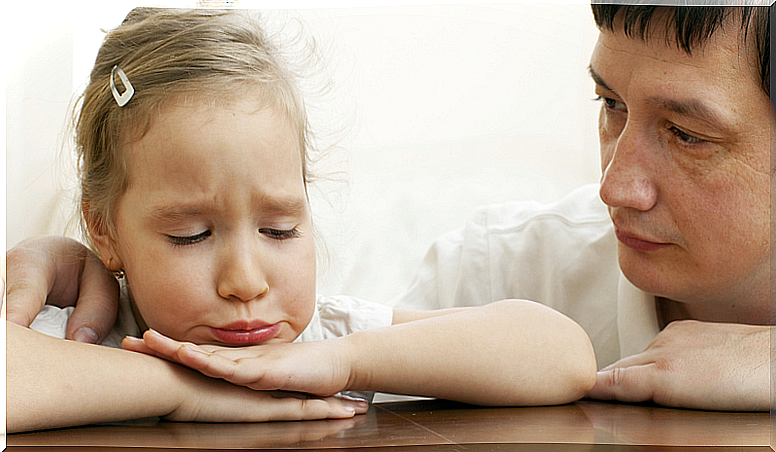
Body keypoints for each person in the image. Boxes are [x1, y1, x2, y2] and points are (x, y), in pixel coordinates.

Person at [5, 4, 772, 413]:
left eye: (687, 132)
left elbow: (555, 352)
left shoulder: (327, 341)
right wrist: (184, 392)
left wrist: (339, 357)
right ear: (104, 225)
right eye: (605, 102)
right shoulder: (77, 335)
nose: (245, 276)